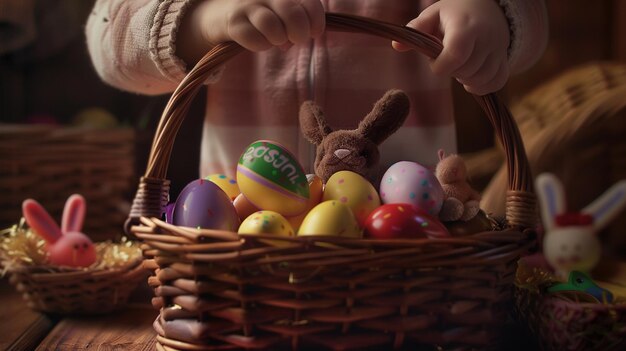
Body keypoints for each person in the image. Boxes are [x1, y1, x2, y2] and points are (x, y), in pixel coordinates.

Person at [86, 0, 548, 178]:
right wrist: (207, 19)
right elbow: (110, 39)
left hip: (410, 237)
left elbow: (529, 22)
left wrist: (490, 14)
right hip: (242, 237)